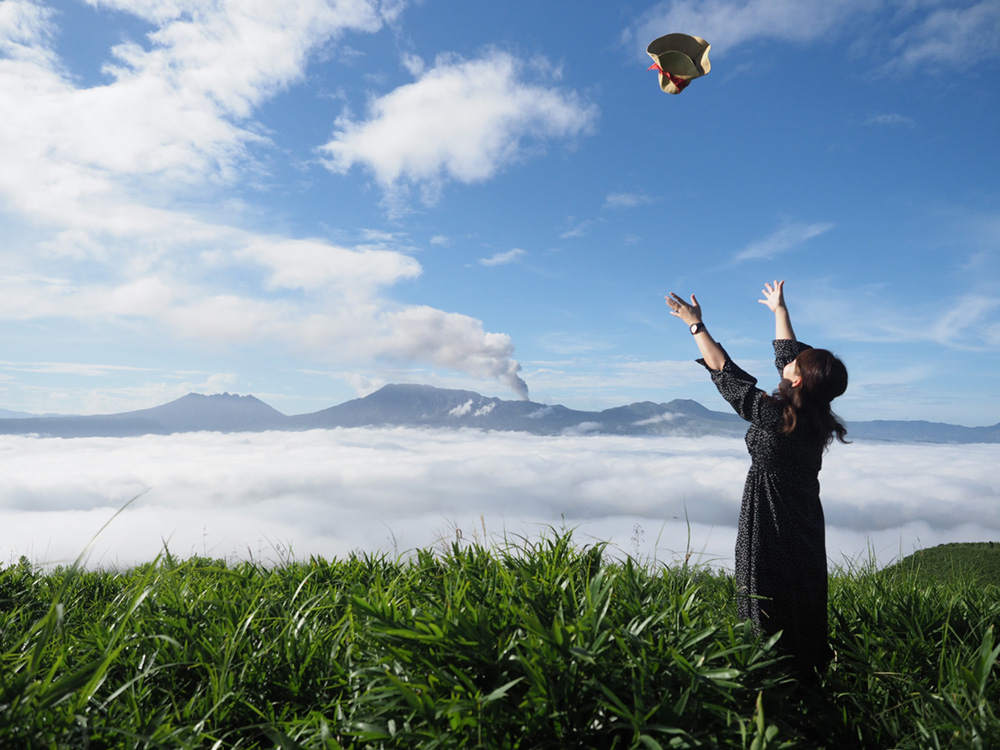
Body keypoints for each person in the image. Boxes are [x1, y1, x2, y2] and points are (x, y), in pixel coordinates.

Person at [665, 280, 848, 679]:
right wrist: (780, 310)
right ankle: (807, 673)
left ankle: (767, 675)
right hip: (803, 513)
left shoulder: (777, 417)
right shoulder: (815, 412)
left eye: (795, 366)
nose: (789, 361)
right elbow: (792, 355)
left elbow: (725, 373)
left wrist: (695, 326)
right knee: (802, 590)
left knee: (764, 586)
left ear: (797, 381)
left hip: (771, 513)